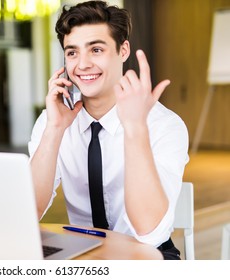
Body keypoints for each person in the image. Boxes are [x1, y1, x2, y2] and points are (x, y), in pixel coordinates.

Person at [28, 0, 189, 260]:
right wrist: (54, 130)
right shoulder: (53, 119)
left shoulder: (164, 125)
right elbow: (28, 213)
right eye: (72, 53)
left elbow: (149, 232)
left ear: (123, 50)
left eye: (96, 49)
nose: (82, 64)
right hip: (83, 254)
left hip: (148, 255)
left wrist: (136, 129)